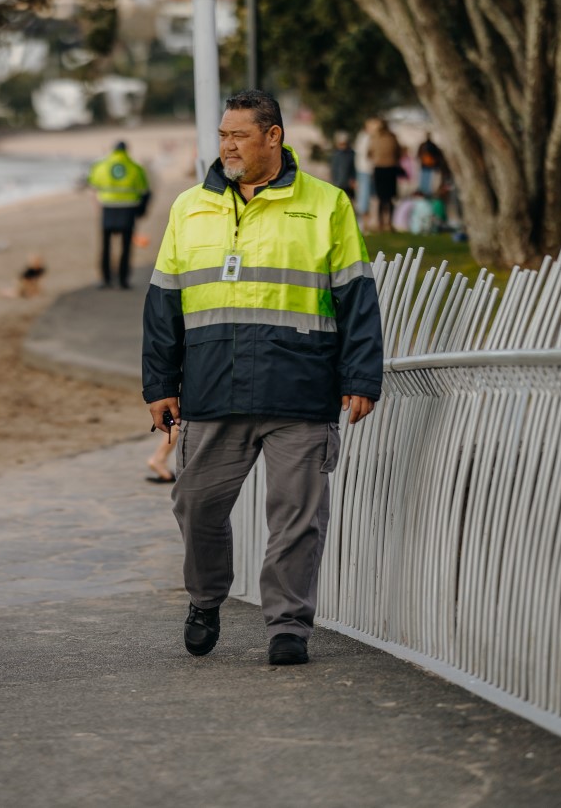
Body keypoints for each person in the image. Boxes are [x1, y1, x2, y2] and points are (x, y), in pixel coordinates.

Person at [143, 90, 383, 667]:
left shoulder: (326, 204)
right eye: (223, 135)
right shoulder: (189, 208)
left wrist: (362, 377)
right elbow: (163, 305)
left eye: (239, 135)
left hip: (300, 389)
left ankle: (288, 626)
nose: (227, 145)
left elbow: (356, 299)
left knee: (296, 518)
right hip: (212, 389)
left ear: (273, 136)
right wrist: (160, 384)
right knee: (195, 505)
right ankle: (205, 599)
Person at [87, 140, 151, 289]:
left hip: (108, 208)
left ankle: (106, 279)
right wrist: (141, 211)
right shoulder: (135, 168)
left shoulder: (101, 166)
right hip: (128, 210)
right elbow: (144, 190)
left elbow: (92, 182)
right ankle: (123, 279)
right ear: (127, 150)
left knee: (106, 245)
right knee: (126, 246)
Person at [369, 118, 402, 232]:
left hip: (379, 168)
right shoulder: (393, 137)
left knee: (381, 197)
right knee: (390, 198)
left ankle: (380, 223)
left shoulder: (375, 138)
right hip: (391, 168)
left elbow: (369, 153)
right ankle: (389, 223)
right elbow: (399, 152)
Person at [352, 120, 375, 225]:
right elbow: (366, 154)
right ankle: (362, 223)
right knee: (364, 197)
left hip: (363, 168)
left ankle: (363, 222)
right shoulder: (366, 137)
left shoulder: (362, 137)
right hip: (365, 169)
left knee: (363, 196)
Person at [328, 130, 356, 199]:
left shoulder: (351, 154)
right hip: (338, 183)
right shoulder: (336, 155)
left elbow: (353, 168)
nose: (342, 146)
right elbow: (334, 169)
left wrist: (353, 179)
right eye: (341, 144)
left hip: (348, 183)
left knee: (349, 199)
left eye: (344, 144)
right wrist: (334, 180)